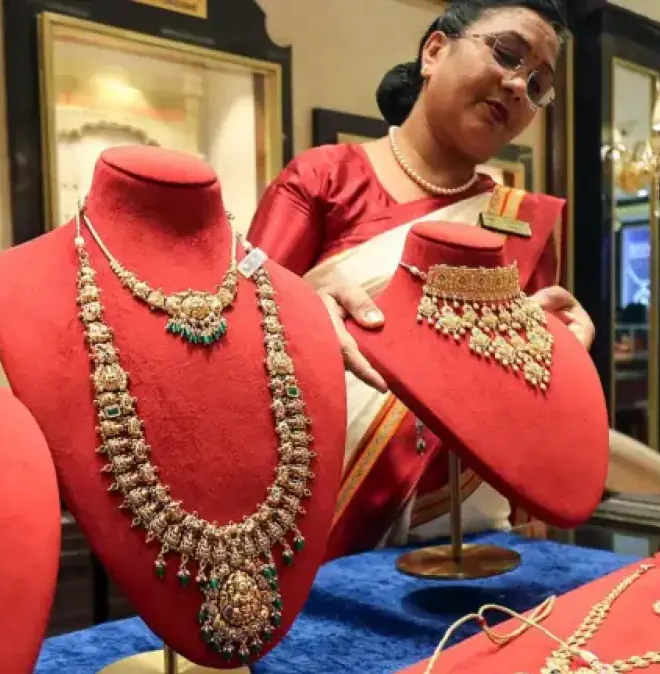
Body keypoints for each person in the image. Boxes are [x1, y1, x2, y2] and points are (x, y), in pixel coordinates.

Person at [247, 0, 595, 559]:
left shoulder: (523, 221)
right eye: (507, 54)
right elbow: (239, 338)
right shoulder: (324, 179)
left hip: (478, 530)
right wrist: (302, 309)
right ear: (434, 51)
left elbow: (524, 394)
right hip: (329, 526)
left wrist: (564, 363)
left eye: (537, 84)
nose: (517, 86)